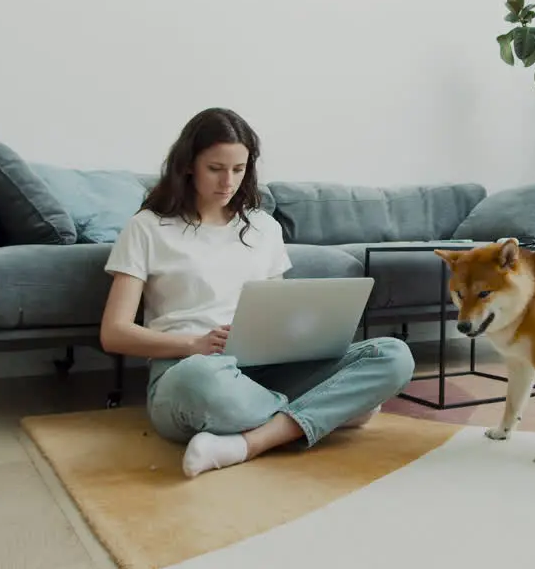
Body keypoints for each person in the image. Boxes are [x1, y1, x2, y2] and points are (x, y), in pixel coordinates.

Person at [99, 107, 415, 478]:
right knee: (203, 380)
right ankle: (331, 409)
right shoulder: (147, 227)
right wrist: (192, 345)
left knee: (394, 355)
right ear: (188, 165)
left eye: (239, 169)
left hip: (263, 369)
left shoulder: (264, 227)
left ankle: (248, 443)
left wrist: (298, 339)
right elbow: (114, 333)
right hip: (188, 371)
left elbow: (275, 312)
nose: (228, 182)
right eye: (215, 168)